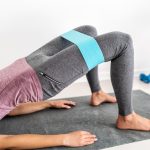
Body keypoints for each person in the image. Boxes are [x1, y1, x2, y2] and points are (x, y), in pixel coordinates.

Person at [0, 25, 149, 149]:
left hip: (28, 62)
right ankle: (127, 117)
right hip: (37, 79)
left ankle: (97, 93)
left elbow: (7, 109)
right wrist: (65, 139)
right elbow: (6, 142)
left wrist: (47, 104)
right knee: (122, 41)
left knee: (87, 32)